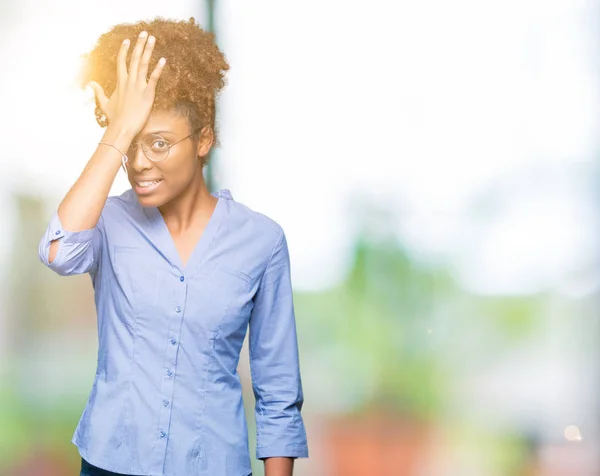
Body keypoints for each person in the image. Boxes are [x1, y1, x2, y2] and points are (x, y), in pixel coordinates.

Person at [37, 17, 308, 476]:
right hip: (111, 463)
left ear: (204, 140)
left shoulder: (261, 241)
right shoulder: (107, 220)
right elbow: (58, 252)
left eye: (159, 143)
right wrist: (119, 129)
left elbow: (278, 391)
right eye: (132, 147)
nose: (140, 163)